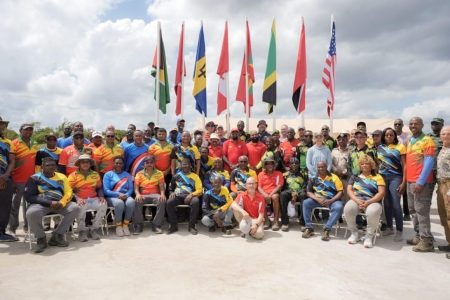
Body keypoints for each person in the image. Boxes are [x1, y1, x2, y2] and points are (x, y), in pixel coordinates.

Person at [25, 157, 79, 253]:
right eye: (47, 165)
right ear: (42, 167)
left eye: (53, 165)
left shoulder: (62, 177)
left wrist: (62, 202)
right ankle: (41, 239)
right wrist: (49, 203)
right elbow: (29, 197)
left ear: (56, 166)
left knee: (74, 207)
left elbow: (69, 192)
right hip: (42, 204)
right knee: (31, 213)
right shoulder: (34, 178)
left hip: (60, 203)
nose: (51, 167)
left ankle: (57, 235)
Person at [405, 117, 436, 252]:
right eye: (411, 124)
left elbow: (429, 162)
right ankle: (419, 235)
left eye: (416, 124)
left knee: (422, 211)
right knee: (413, 210)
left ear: (422, 125)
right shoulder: (410, 140)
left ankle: (427, 241)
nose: (413, 126)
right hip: (410, 181)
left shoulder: (427, 140)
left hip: (421, 183)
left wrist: (420, 181)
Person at [344, 155, 386, 248]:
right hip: (357, 200)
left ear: (371, 165)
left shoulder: (378, 177)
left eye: (366, 163)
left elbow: (381, 193)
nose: (364, 165)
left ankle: (369, 235)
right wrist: (357, 200)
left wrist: (369, 202)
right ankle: (354, 233)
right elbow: (349, 190)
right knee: (348, 208)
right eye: (362, 164)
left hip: (373, 201)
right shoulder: (355, 177)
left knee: (372, 212)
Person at [68, 154, 107, 242]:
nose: (85, 164)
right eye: (83, 162)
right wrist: (77, 198)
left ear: (90, 164)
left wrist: (101, 196)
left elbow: (99, 187)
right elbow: (69, 190)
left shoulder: (95, 174)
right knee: (81, 206)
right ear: (79, 164)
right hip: (81, 199)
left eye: (87, 162)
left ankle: (94, 229)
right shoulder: (72, 175)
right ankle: (82, 231)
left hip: (93, 198)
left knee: (103, 204)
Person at [302, 161, 344, 241]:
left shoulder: (334, 177)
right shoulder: (313, 178)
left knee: (339, 207)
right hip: (318, 199)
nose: (321, 169)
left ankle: (327, 229)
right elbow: (309, 192)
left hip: (332, 200)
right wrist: (317, 199)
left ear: (326, 167)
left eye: (322, 167)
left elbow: (340, 192)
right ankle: (309, 228)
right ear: (317, 168)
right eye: (319, 167)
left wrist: (331, 200)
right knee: (306, 203)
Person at [377, 127, 406, 241]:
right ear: (383, 136)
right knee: (387, 204)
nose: (389, 137)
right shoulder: (380, 148)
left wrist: (404, 182)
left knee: (396, 204)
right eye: (387, 135)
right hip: (383, 178)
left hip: (395, 177)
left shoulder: (400, 147)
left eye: (391, 135)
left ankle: (399, 230)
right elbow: (379, 163)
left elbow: (405, 166)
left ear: (394, 136)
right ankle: (390, 227)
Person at [9, 123, 38, 235]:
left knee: (29, 205)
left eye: (30, 130)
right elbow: (11, 162)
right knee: (15, 205)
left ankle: (28, 227)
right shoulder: (14, 143)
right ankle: (12, 228)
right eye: (26, 130)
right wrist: (12, 180)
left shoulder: (34, 143)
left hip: (31, 180)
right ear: (20, 131)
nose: (28, 132)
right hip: (17, 180)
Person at [166, 158, 203, 235]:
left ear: (190, 165)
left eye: (187, 164)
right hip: (178, 196)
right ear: (181, 166)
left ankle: (192, 226)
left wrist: (191, 194)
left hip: (190, 196)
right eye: (183, 164)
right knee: (169, 202)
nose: (185, 166)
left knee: (196, 201)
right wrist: (171, 192)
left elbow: (200, 190)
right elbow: (170, 188)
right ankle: (173, 226)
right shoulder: (176, 176)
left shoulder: (195, 176)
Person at [103, 156, 135, 237]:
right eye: (116, 163)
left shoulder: (127, 174)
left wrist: (126, 195)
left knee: (131, 202)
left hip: (125, 195)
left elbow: (131, 189)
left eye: (120, 163)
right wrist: (118, 194)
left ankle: (125, 225)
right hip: (112, 197)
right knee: (119, 203)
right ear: (113, 164)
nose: (118, 165)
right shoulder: (108, 175)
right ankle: (118, 226)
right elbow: (106, 190)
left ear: (123, 164)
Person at [133, 155, 166, 234]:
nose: (149, 164)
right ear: (144, 164)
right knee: (137, 201)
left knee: (162, 201)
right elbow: (136, 188)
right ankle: (139, 225)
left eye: (151, 162)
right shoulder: (139, 174)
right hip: (143, 194)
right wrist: (137, 194)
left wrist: (162, 194)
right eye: (147, 162)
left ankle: (156, 225)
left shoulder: (159, 173)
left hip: (155, 194)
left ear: (154, 163)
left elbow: (161, 187)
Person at [0, 116, 17, 242]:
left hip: (5, 178)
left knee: (5, 206)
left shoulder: (8, 142)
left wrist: (5, 175)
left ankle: (1, 232)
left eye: (1, 124)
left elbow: (12, 161)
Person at [280, 157, 307, 231]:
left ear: (299, 164)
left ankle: (303, 223)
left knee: (303, 195)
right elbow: (283, 187)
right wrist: (292, 192)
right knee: (282, 194)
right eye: (292, 163)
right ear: (289, 165)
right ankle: (285, 222)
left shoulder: (303, 174)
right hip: (289, 193)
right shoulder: (285, 174)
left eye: (296, 163)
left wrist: (297, 193)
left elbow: (305, 186)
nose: (294, 164)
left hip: (300, 192)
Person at [257, 157, 284, 231]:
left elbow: (279, 185)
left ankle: (275, 221)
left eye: (271, 163)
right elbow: (259, 187)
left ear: (274, 165)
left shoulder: (278, 174)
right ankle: (266, 220)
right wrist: (265, 195)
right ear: (265, 165)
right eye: (267, 164)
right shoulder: (261, 174)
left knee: (275, 197)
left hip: (274, 192)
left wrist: (270, 194)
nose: (269, 165)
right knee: (261, 197)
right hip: (264, 192)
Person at [436, 126, 450, 258]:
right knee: (443, 215)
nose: (445, 136)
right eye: (443, 134)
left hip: (448, 184)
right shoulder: (442, 149)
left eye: (448, 134)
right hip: (440, 184)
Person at [148, 128, 174, 195]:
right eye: (160, 134)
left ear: (166, 135)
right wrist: (158, 171)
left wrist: (167, 171)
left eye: (163, 134)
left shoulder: (171, 146)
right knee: (157, 192)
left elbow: (173, 160)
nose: (161, 135)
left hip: (168, 173)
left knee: (168, 192)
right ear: (157, 135)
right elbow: (150, 161)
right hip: (155, 173)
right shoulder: (152, 147)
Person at [331, 131, 351, 200]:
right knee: (335, 195)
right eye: (339, 139)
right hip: (335, 177)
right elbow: (331, 163)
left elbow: (351, 165)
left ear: (347, 141)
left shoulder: (350, 151)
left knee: (345, 196)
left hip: (346, 177)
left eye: (344, 139)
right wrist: (336, 170)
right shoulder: (333, 151)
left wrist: (344, 172)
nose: (341, 141)